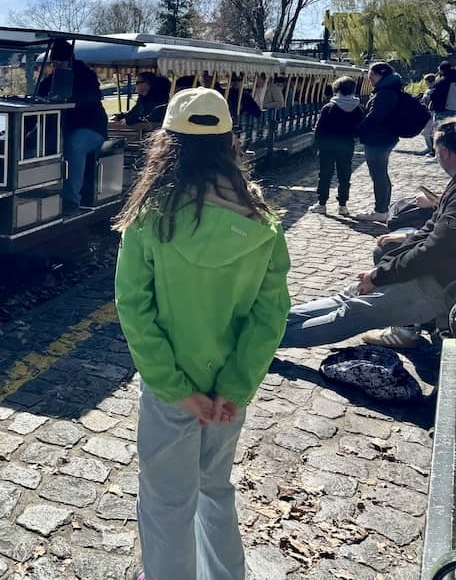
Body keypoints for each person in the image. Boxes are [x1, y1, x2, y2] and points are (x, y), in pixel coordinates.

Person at [115, 88, 290, 580]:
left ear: (166, 144)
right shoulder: (263, 224)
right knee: (215, 489)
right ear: (229, 141)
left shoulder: (149, 219)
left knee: (166, 501)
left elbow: (134, 307)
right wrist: (234, 388)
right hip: (229, 391)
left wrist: (176, 389)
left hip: (173, 386)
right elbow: (269, 315)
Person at [282, 120, 456, 350]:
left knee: (352, 312)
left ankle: (258, 342)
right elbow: (427, 232)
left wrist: (379, 277)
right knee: (349, 296)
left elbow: (433, 250)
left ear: (444, 152)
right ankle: (261, 326)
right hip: (433, 272)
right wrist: (381, 271)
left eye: (435, 151)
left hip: (440, 283)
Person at [37, 38, 108, 214]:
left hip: (92, 127)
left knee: (74, 145)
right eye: (54, 62)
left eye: (60, 61)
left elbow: (92, 97)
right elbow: (39, 98)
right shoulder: (49, 80)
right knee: (40, 144)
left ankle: (71, 200)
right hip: (63, 128)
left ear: (69, 60)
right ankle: (44, 192)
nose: (57, 65)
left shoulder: (86, 75)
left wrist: (69, 98)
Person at [308, 77, 364, 216]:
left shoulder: (329, 107)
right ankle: (342, 205)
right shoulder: (358, 108)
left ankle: (322, 204)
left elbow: (319, 129)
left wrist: (316, 145)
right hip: (346, 145)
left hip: (327, 145)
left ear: (337, 89)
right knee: (344, 175)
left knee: (325, 175)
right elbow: (360, 129)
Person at [355, 61, 404, 222]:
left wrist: (358, 130)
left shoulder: (384, 93)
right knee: (381, 173)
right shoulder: (392, 90)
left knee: (378, 174)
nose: (370, 80)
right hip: (387, 137)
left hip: (378, 138)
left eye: (371, 77)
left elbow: (374, 117)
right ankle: (383, 209)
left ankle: (380, 210)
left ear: (378, 75)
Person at [421, 73, 437, 157]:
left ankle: (431, 149)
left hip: (432, 113)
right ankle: (430, 148)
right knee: (428, 132)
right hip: (428, 113)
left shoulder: (435, 89)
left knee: (427, 132)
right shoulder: (428, 90)